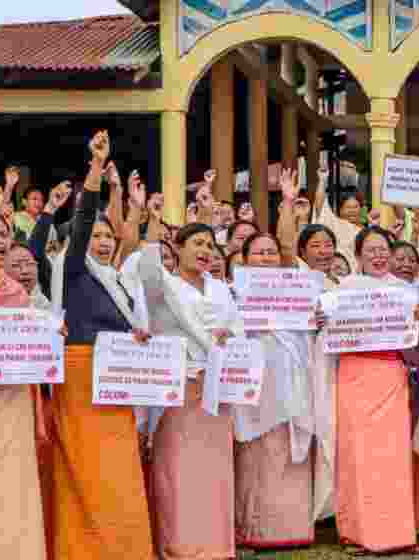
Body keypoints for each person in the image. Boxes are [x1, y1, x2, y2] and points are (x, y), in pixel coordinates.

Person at [46, 132, 153, 560]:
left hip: (117, 380)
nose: (104, 242)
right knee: (85, 469)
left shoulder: (117, 283)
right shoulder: (72, 271)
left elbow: (122, 328)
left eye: (110, 237)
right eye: (95, 236)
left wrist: (138, 338)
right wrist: (96, 169)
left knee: (120, 470)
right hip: (79, 377)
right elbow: (86, 215)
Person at [314, 225, 419, 553]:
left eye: (383, 250)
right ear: (358, 255)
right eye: (371, 250)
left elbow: (416, 347)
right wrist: (322, 321)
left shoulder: (404, 292)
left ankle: (397, 533)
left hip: (391, 374)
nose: (378, 256)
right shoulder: (342, 290)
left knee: (391, 456)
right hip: (353, 374)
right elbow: (328, 335)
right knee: (357, 456)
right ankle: (359, 532)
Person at [139, 221, 242, 560]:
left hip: (218, 388)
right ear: (178, 248)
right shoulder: (164, 287)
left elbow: (238, 330)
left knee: (215, 471)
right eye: (197, 243)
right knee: (179, 471)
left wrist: (229, 337)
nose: (204, 251)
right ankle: (180, 546)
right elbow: (148, 269)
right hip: (179, 387)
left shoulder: (221, 289)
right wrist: (150, 222)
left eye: (210, 246)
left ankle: (217, 545)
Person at [233, 233, 320, 549]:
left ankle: (294, 528)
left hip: (293, 377)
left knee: (290, 450)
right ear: (244, 258)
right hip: (255, 382)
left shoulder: (297, 290)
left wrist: (316, 319)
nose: (267, 258)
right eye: (259, 253)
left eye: (271, 252)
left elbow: (308, 332)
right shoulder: (233, 293)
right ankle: (256, 529)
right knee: (259, 453)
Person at [0, 210, 47, 560]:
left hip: (10, 404)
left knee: (9, 482)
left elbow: (31, 347)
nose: (0, 242)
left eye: (4, 235)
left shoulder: (17, 292)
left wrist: (49, 336)